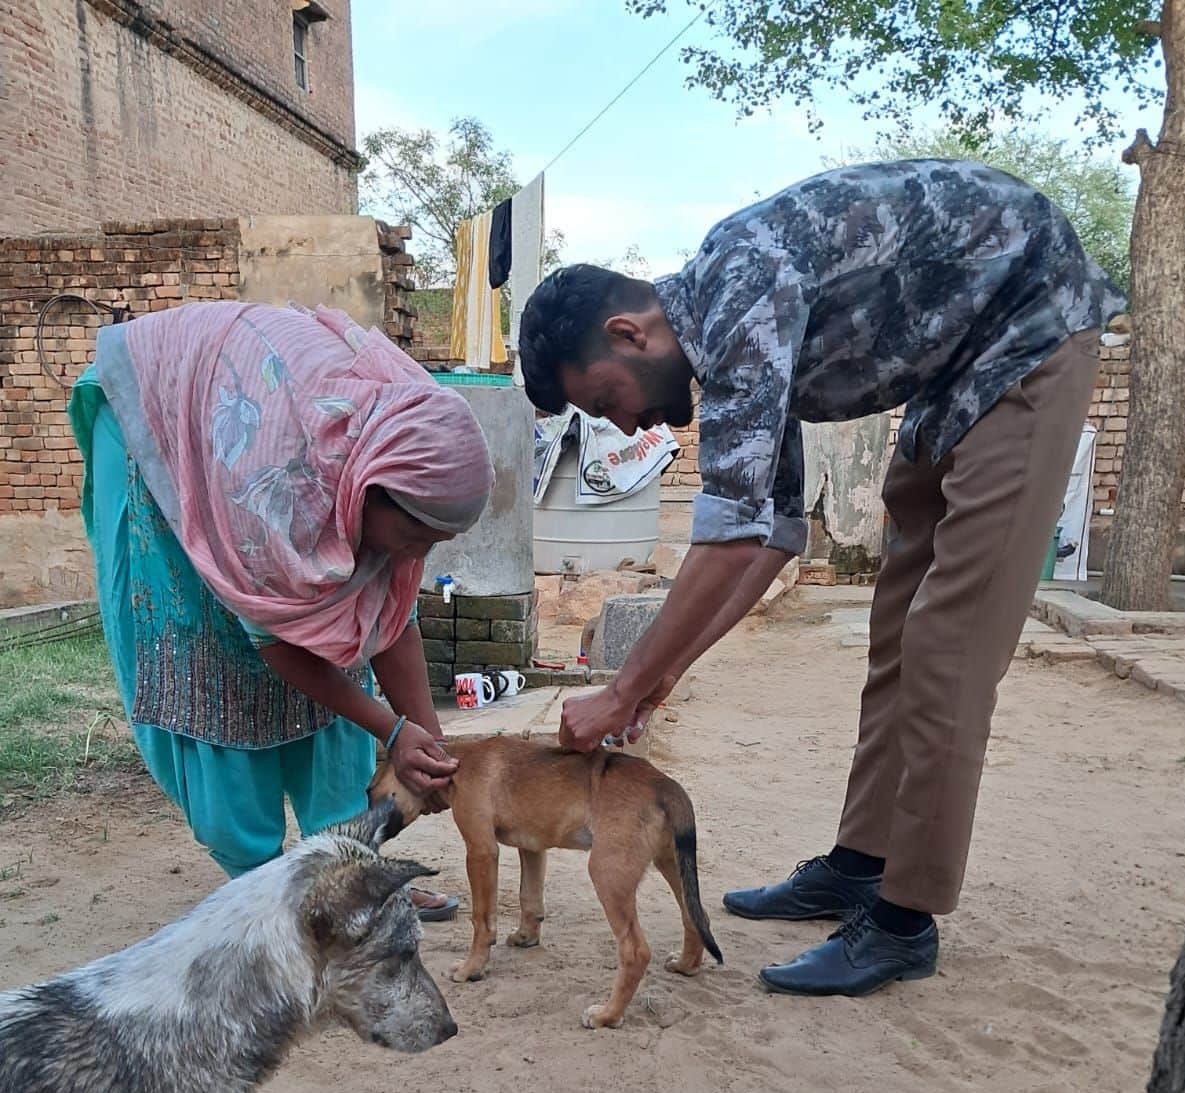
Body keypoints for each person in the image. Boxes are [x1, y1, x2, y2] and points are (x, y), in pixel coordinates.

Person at [519, 159, 1124, 997]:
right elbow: (773, 535)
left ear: (629, 334)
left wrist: (621, 692)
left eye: (606, 399)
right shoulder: (729, 340)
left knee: (948, 648)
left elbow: (728, 540)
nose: (624, 425)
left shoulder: (743, 284)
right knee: (897, 635)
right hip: (952, 375)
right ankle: (860, 864)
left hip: (1028, 334)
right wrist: (661, 677)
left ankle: (904, 923)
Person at [70, 300, 493, 914]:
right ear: (368, 490)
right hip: (162, 419)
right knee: (214, 653)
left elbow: (389, 613)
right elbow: (272, 637)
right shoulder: (276, 484)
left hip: (279, 421)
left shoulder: (403, 446)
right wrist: (392, 730)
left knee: (345, 621)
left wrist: (424, 739)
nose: (419, 555)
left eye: (436, 543)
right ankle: (264, 892)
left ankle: (350, 870)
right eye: (415, 535)